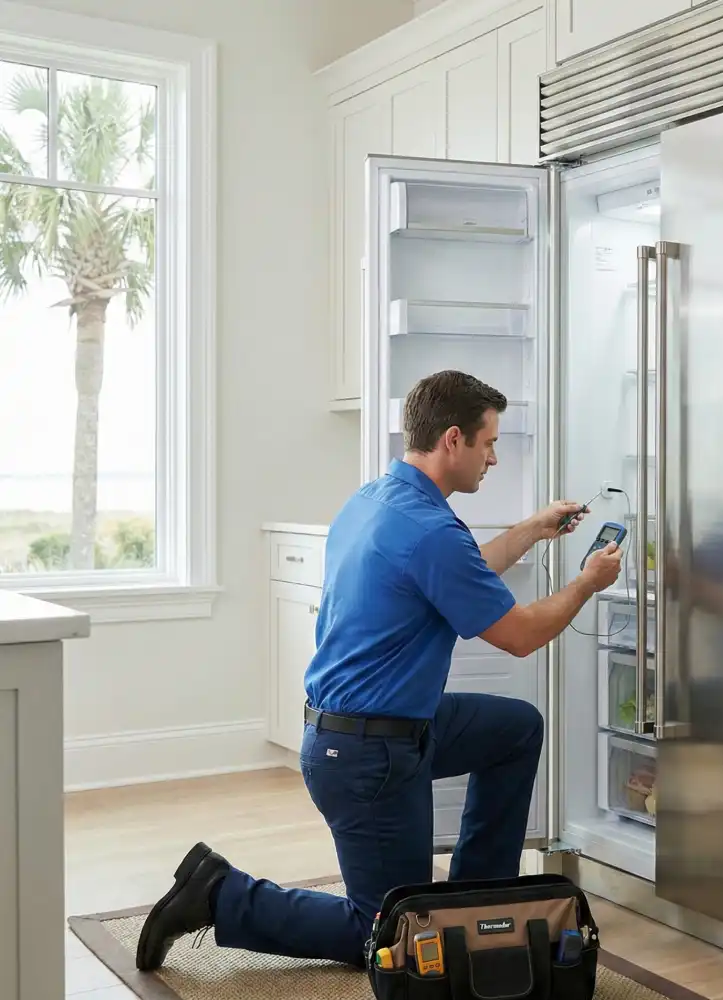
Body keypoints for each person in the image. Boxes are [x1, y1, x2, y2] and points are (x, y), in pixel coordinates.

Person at [135, 369, 622, 973]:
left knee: (516, 728)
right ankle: (219, 894)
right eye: (488, 442)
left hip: (385, 727)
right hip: (366, 754)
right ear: (452, 439)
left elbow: (461, 571)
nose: (494, 458)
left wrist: (533, 527)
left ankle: (472, 907)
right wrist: (587, 583)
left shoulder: (378, 501)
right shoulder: (431, 530)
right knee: (394, 940)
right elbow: (520, 636)